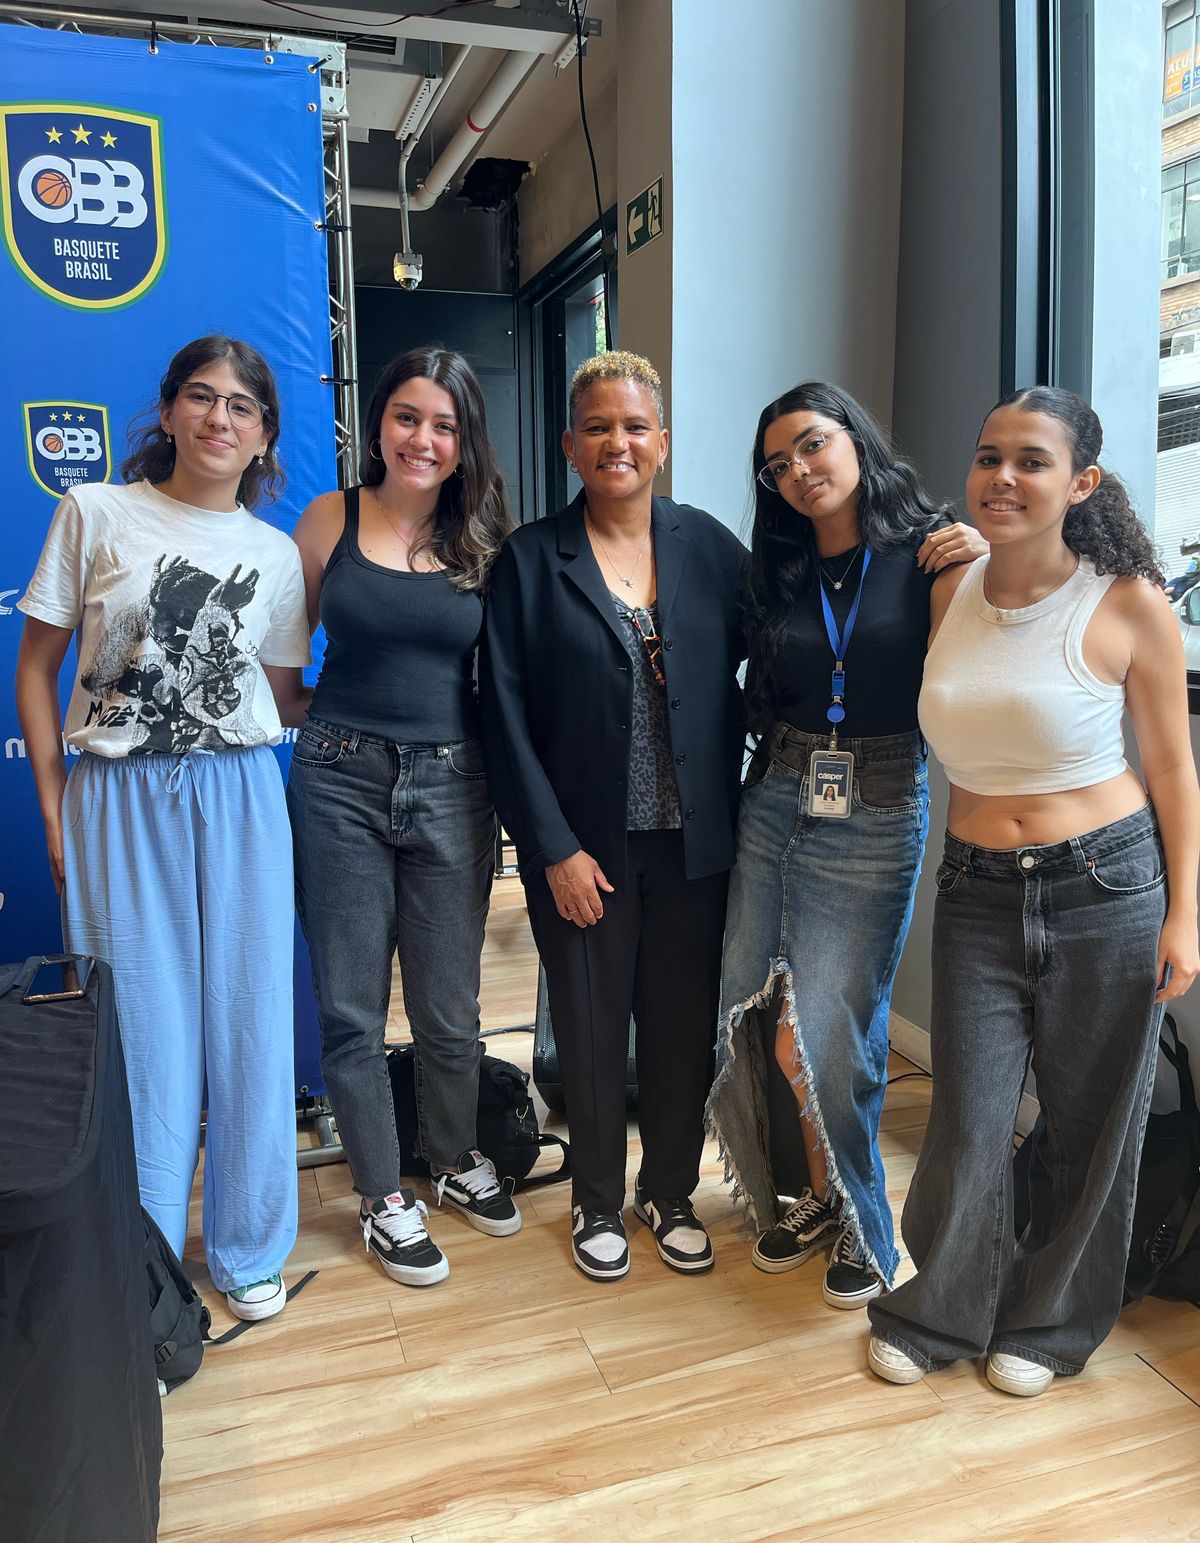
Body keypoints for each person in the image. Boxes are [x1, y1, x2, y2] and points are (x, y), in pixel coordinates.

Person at [867, 386, 1200, 1396]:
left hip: (1106, 884)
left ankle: (1052, 1327)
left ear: (1080, 482)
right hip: (974, 888)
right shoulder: (949, 584)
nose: (1003, 477)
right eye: (988, 457)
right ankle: (943, 1307)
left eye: (1032, 461)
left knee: (1090, 1121)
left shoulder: (1127, 600)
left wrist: (1187, 912)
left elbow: (1174, 768)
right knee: (967, 1118)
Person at [16, 334, 309, 1321]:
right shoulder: (96, 511)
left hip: (238, 795)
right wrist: (56, 813)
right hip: (118, 795)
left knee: (251, 1015)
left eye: (241, 406)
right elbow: (36, 671)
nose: (218, 418)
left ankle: (249, 1244)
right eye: (200, 397)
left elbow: (276, 692)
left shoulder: (273, 557)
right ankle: (141, 1256)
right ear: (170, 410)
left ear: (265, 435)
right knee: (139, 1028)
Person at [706, 380, 983, 1310]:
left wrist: (989, 560)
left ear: (856, 439)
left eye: (813, 445)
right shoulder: (776, 568)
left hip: (876, 796)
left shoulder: (934, 551)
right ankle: (811, 1195)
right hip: (777, 791)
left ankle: (864, 1221)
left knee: (830, 1030)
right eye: (777, 464)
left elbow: (993, 645)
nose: (799, 472)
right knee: (754, 1019)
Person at [480, 351, 747, 1281]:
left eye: (635, 426)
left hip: (696, 847)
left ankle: (667, 1192)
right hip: (584, 847)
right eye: (597, 426)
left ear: (662, 443)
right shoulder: (529, 559)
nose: (617, 443)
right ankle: (598, 1197)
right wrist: (550, 849)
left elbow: (786, 639)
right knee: (591, 1030)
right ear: (568, 444)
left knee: (679, 1027)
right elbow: (502, 715)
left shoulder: (708, 548)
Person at [280, 347, 516, 1290]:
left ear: (464, 445)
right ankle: (384, 1196)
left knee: (449, 1007)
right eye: (409, 417)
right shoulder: (328, 518)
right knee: (348, 1007)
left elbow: (504, 680)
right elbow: (282, 668)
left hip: (456, 786)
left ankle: (454, 1158)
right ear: (378, 424)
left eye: (445, 425)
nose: (424, 438)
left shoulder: (486, 537)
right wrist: (346, 735)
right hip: (338, 778)